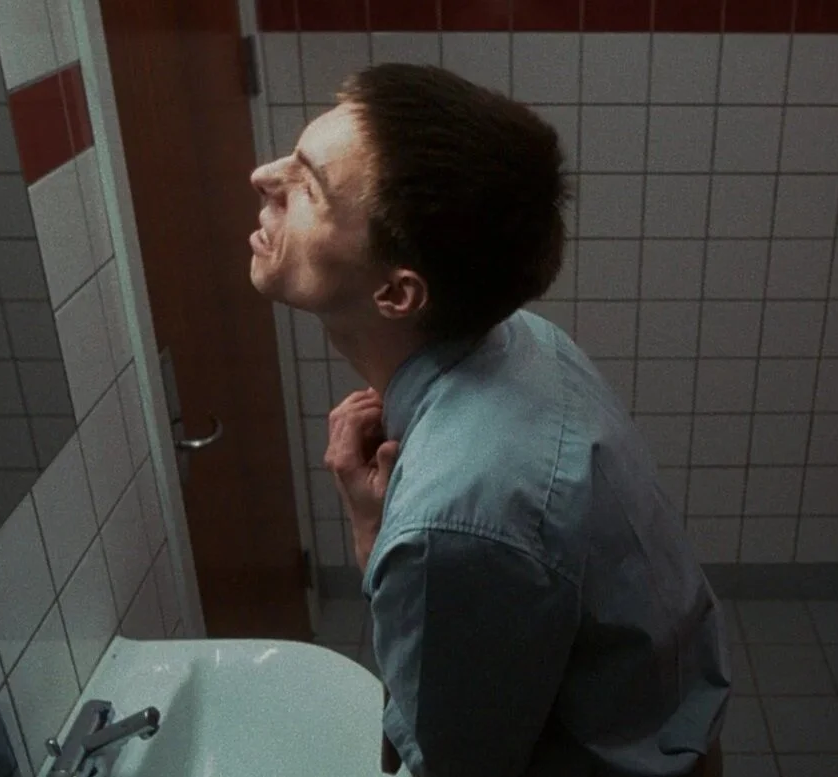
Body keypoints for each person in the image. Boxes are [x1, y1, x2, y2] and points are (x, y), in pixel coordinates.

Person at [246, 63, 729, 777]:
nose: (263, 176)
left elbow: (457, 765)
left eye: (308, 186)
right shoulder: (528, 340)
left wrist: (379, 540)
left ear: (397, 291)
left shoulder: (454, 522)